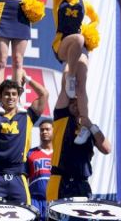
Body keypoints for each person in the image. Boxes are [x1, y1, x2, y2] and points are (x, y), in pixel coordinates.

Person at [0, 73, 49, 204]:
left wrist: (28, 79)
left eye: (14, 94)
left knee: (26, 215)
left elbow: (44, 94)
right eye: (7, 94)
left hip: (19, 176)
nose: (10, 97)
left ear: (18, 97)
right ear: (0, 96)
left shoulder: (27, 117)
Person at [53, 0, 99, 144]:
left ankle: (85, 124)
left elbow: (96, 19)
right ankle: (70, 76)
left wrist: (90, 28)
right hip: (62, 44)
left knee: (82, 86)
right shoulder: (59, 1)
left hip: (79, 47)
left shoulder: (84, 4)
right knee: (79, 40)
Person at [46, 73, 111, 202]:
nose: (75, 103)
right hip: (60, 180)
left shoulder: (91, 128)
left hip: (81, 183)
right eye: (72, 101)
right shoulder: (62, 118)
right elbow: (66, 86)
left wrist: (90, 126)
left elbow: (107, 149)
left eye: (78, 101)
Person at [26, 119, 53, 216]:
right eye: (42, 130)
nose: (44, 132)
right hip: (35, 200)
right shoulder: (30, 153)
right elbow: (24, 178)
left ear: (54, 130)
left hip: (54, 200)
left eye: (47, 129)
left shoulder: (59, 154)